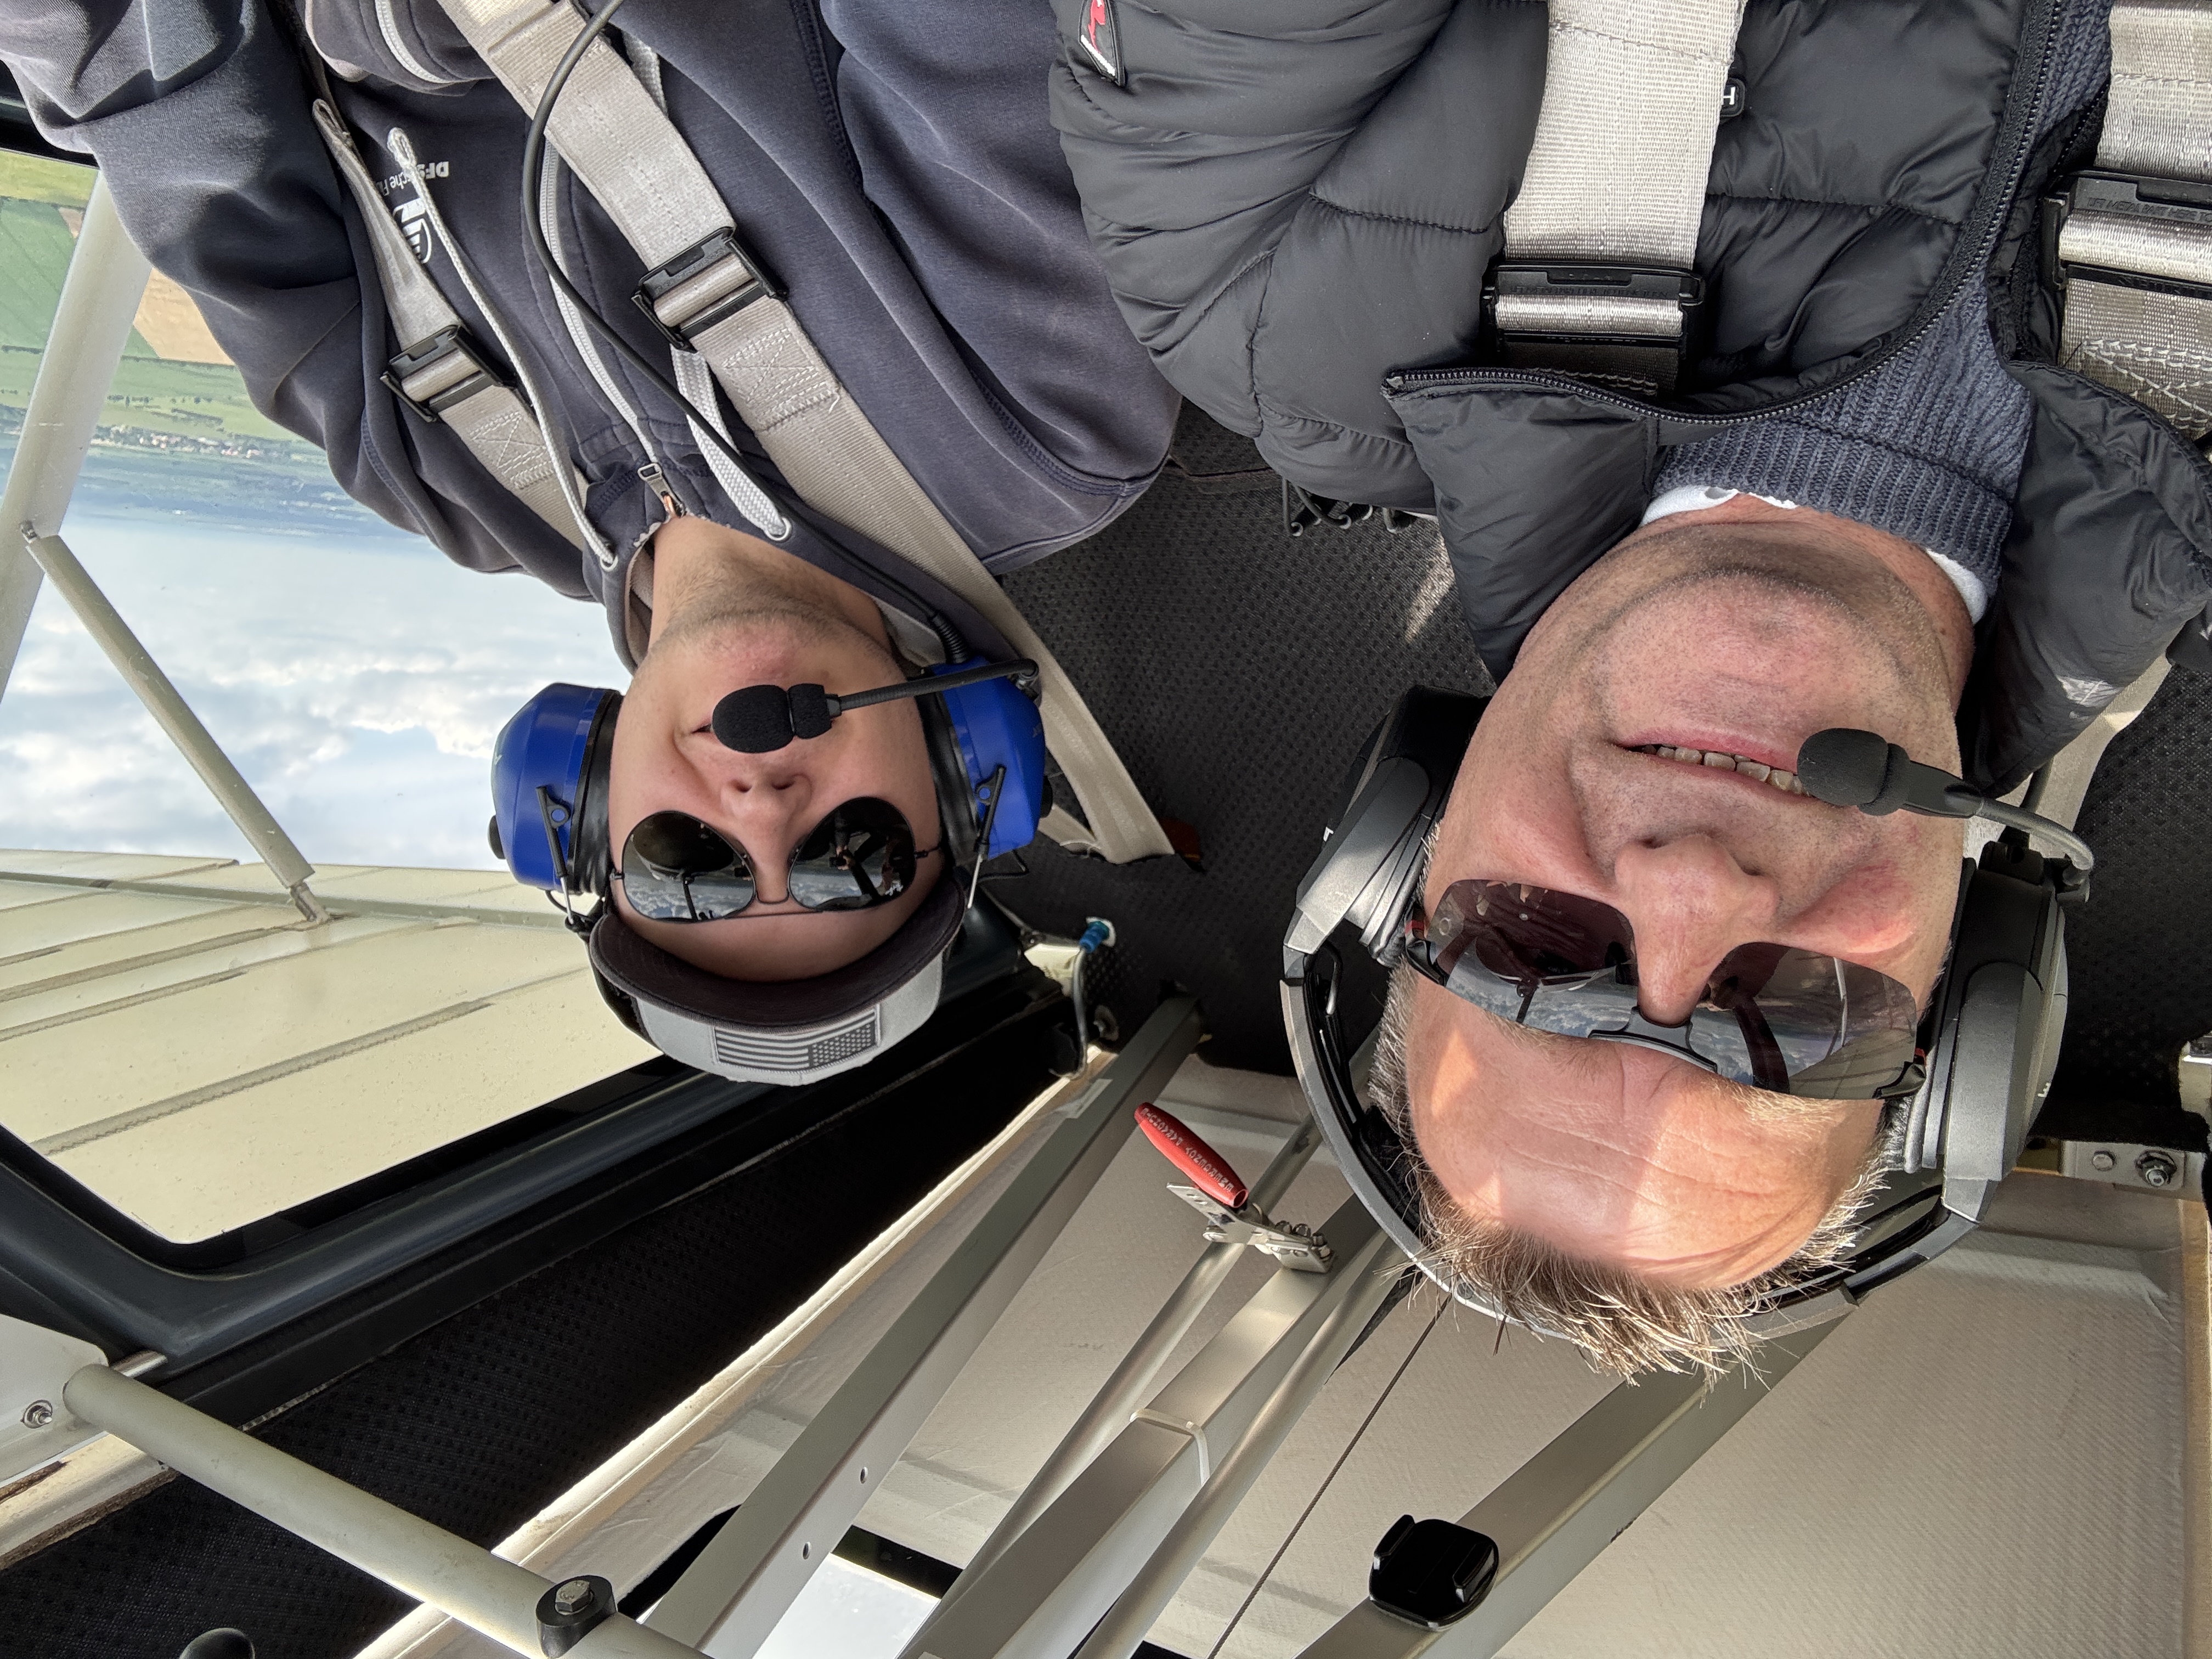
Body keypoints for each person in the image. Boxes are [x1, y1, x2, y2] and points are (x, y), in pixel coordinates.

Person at [1051, 0, 2212, 1369]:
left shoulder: (1258, 299)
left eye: (1537, 955)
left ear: (1406, 850)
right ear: (1966, 978)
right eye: (1787, 1018)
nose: (1691, 890)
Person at [1, 0, 1181, 1073]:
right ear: (958, 786)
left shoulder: (450, 482)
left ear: (586, 808)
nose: (763, 807)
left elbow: (153, 103)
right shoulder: (1041, 425)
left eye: (685, 866)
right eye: (854, 857)